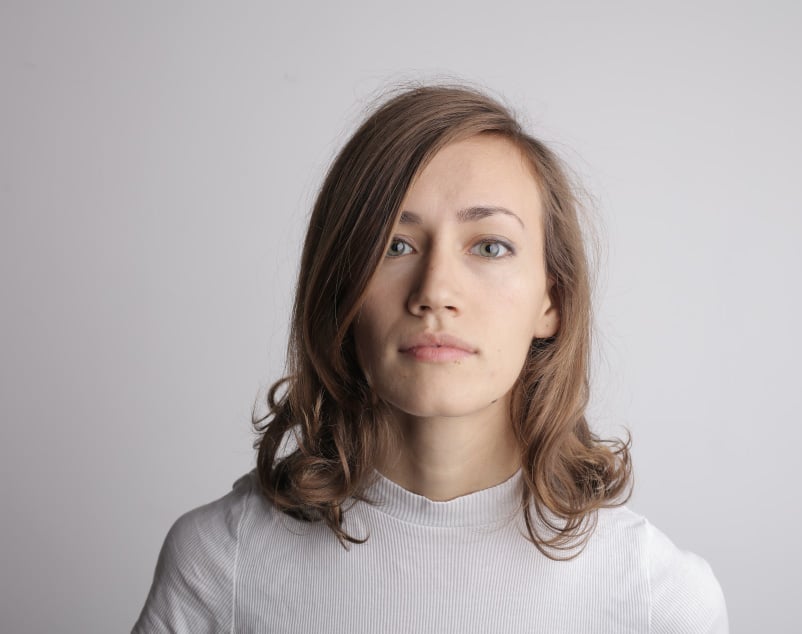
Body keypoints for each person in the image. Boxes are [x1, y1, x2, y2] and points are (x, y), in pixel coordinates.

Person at [133, 84, 729, 633]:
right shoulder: (221, 563)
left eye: (490, 246)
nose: (435, 291)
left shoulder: (659, 598)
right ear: (342, 287)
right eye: (396, 245)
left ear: (552, 299)